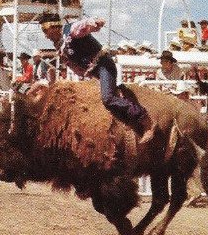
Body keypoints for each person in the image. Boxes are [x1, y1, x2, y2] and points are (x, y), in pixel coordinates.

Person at [38, 11, 153, 143]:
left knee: (108, 98)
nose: (45, 36)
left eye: (45, 31)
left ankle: (144, 119)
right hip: (95, 72)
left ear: (53, 27)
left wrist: (94, 22)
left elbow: (84, 26)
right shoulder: (61, 42)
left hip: (104, 66)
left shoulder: (72, 30)